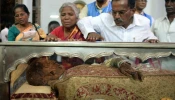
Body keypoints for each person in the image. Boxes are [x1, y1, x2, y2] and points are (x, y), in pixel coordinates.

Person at [77, 0, 158, 77]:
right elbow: (82, 21)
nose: (116, 16)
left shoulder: (144, 22)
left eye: (121, 12)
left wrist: (151, 39)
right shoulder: (105, 19)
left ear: (132, 11)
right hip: (111, 70)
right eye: (114, 12)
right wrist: (90, 32)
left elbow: (149, 35)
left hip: (135, 71)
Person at [45, 2, 85, 70]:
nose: (66, 17)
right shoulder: (58, 30)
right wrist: (50, 37)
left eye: (70, 14)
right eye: (63, 15)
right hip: (62, 70)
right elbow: (49, 36)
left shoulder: (83, 30)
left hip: (82, 69)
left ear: (76, 16)